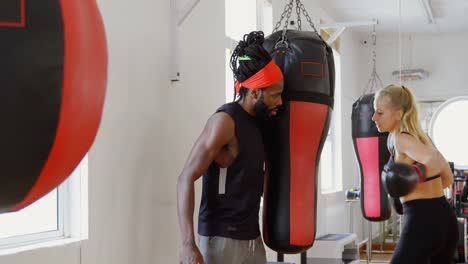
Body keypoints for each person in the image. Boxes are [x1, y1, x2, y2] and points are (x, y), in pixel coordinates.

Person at [177, 31, 284, 264]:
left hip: (252, 240)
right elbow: (186, 177)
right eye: (275, 95)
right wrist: (188, 244)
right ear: (255, 92)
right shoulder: (225, 121)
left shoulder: (260, 124)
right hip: (220, 241)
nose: (280, 101)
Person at [372, 84, 457, 263]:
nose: (374, 118)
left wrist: (413, 178)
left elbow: (433, 159)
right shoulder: (420, 137)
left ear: (398, 113)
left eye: (380, 112)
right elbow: (447, 177)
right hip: (444, 217)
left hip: (423, 219)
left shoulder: (401, 139)